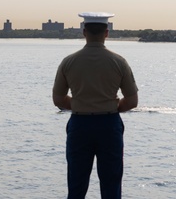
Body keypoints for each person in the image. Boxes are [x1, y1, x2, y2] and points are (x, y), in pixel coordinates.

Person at [52, 12, 139, 199]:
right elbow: (132, 101)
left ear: (84, 32)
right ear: (107, 33)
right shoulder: (119, 62)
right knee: (111, 184)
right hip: (109, 125)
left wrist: (79, 104)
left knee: (76, 184)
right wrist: (111, 106)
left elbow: (58, 99)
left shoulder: (68, 62)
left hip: (79, 125)